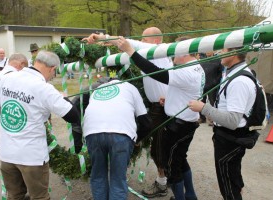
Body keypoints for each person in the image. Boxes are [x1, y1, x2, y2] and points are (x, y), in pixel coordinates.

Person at [84, 27, 173, 198]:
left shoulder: (158, 51)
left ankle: (164, 183)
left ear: (156, 40)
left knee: (161, 150)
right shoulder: (151, 54)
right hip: (156, 106)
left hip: (162, 108)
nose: (142, 42)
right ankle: (165, 181)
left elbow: (128, 43)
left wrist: (101, 38)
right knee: (159, 150)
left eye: (144, 40)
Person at [114, 35, 204, 200]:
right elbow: (185, 91)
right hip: (186, 121)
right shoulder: (195, 66)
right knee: (180, 160)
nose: (172, 57)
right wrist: (169, 99)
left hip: (179, 125)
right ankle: (190, 195)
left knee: (172, 165)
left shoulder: (186, 71)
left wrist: (130, 52)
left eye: (175, 53)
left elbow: (156, 73)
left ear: (184, 52)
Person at [0, 50, 79, 200]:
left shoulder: (8, 78)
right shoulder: (44, 88)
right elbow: (73, 116)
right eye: (55, 73)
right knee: (39, 197)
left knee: (14, 195)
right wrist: (63, 99)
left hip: (7, 154)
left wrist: (16, 115)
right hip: (32, 157)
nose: (53, 77)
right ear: (52, 68)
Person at [188, 47, 256, 200]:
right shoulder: (234, 72)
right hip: (229, 137)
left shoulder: (239, 81)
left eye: (223, 50)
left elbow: (232, 121)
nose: (219, 53)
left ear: (233, 53)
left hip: (230, 138)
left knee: (228, 186)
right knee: (233, 179)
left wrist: (204, 108)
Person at [82, 77, 152, 200]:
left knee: (98, 175)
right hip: (121, 133)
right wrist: (138, 139)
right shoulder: (131, 87)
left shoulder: (98, 89)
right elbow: (146, 122)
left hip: (92, 131)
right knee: (118, 178)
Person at [0, 53, 28, 149]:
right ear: (21, 64)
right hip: (9, 121)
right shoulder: (14, 76)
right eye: (24, 68)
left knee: (4, 153)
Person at [199, 51, 223, 124]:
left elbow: (220, 73)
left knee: (213, 102)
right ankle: (201, 118)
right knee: (201, 102)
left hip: (213, 85)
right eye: (206, 50)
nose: (207, 52)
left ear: (213, 51)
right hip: (203, 85)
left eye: (209, 50)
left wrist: (216, 82)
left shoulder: (218, 60)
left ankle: (213, 119)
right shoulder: (202, 61)